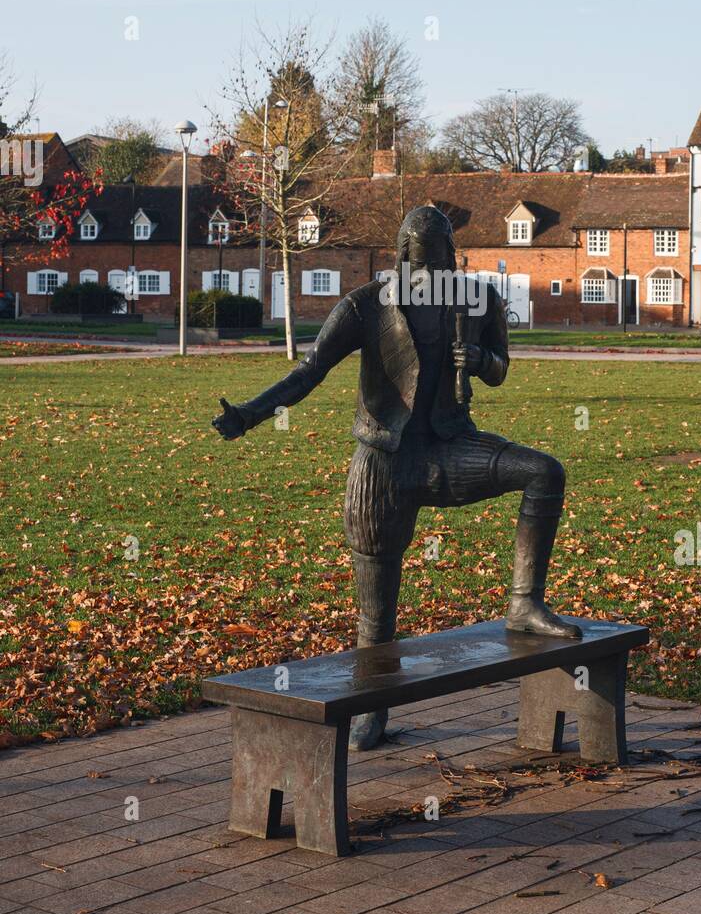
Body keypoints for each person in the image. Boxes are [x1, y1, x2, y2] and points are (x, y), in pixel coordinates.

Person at [213, 205, 578, 751]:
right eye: (421, 250)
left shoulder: (479, 300)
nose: (430, 262)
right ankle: (372, 708)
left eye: (439, 251)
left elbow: (500, 368)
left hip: (450, 448)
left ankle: (524, 603)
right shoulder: (365, 306)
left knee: (544, 473)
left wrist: (477, 359)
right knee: (376, 611)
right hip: (384, 460)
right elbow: (310, 371)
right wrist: (250, 413)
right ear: (403, 252)